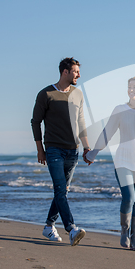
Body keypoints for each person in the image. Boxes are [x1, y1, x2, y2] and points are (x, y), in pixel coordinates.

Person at [86, 77, 135, 251]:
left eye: (134, 87)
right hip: (122, 161)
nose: (131, 90)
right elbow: (108, 133)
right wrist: (94, 152)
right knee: (129, 198)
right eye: (129, 87)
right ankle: (124, 230)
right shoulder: (119, 110)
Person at [31, 57, 92, 246]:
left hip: (73, 150)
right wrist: (40, 149)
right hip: (54, 149)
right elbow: (35, 122)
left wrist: (87, 146)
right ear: (65, 72)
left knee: (62, 191)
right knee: (60, 189)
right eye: (75, 71)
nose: (79, 75)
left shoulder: (78, 94)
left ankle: (49, 226)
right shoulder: (46, 94)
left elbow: (81, 122)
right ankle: (71, 229)